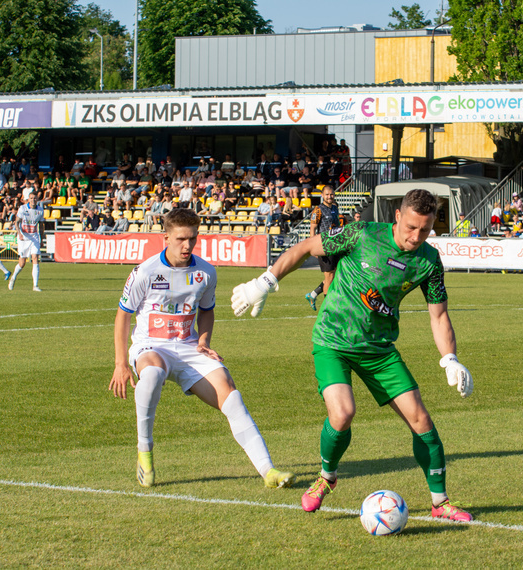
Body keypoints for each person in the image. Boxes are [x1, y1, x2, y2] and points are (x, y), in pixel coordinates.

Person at [230, 188, 474, 522]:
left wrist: (450, 358)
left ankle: (440, 503)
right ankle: (326, 478)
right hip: (333, 340)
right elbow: (306, 247)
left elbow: (439, 315)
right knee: (343, 413)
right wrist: (265, 281)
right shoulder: (361, 233)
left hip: (379, 350)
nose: (417, 237)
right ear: (398, 216)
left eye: (425, 230)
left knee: (421, 421)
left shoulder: (429, 261)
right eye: (411, 228)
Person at [109, 208, 295, 490]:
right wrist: (120, 363)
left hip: (188, 347)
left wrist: (204, 341)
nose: (187, 246)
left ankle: (269, 471)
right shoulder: (145, 272)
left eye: (193, 239)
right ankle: (144, 452)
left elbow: (207, 311)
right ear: (166, 237)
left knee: (231, 395)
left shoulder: (206, 272)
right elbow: (123, 315)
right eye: (181, 239)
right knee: (153, 373)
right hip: (151, 345)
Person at [305, 185, 342, 311]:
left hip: (336, 245)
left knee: (335, 276)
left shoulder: (335, 207)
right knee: (329, 277)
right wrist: (313, 246)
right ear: (322, 195)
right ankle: (327, 307)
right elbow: (313, 228)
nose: (329, 196)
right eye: (327, 194)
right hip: (324, 245)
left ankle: (313, 294)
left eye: (331, 194)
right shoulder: (318, 209)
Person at [8, 190, 43, 292]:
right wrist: (19, 233)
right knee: (22, 263)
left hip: (34, 237)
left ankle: (35, 285)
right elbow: (17, 222)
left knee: (35, 258)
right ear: (28, 199)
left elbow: (41, 225)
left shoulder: (40, 210)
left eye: (35, 198)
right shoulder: (23, 208)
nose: (33, 200)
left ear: (37, 199)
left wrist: (41, 238)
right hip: (24, 237)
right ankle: (13, 277)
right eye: (31, 198)